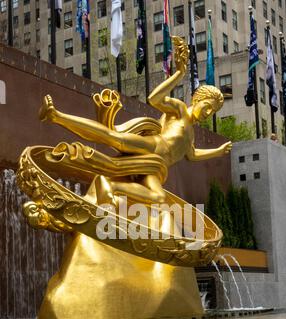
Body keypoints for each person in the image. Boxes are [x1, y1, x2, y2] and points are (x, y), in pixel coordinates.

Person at [39, 37, 232, 203]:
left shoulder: (191, 134)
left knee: (158, 197)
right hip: (152, 146)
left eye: (212, 111)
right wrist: (179, 74)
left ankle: (112, 187)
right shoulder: (179, 110)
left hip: (156, 168)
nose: (208, 112)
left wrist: (218, 151)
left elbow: (192, 155)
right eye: (207, 106)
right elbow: (154, 99)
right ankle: (56, 115)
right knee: (112, 137)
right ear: (197, 100)